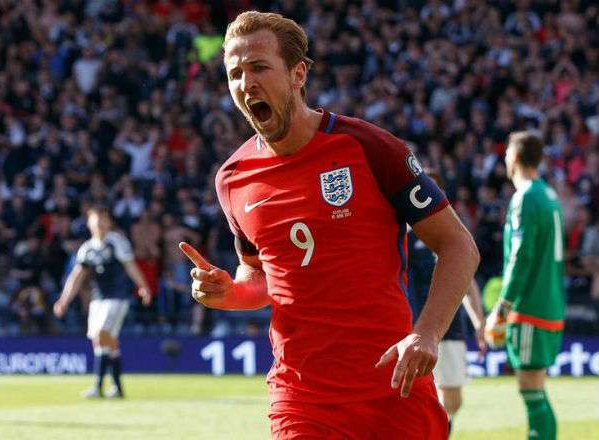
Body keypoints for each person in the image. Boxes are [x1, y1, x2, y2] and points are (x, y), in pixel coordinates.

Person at [179, 11, 479, 439]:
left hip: (394, 388)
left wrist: (427, 334)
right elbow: (261, 276)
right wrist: (230, 293)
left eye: (259, 67)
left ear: (298, 73)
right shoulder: (232, 179)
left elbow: (458, 246)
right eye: (235, 74)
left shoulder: (371, 149)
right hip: (303, 399)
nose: (247, 84)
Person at [486, 131, 565, 440]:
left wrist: (502, 308)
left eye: (507, 153)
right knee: (536, 387)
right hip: (550, 302)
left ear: (515, 158)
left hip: (529, 307)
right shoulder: (549, 194)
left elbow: (521, 259)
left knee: (530, 387)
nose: (504, 158)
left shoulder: (525, 198)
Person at [407, 171, 487, 437]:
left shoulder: (453, 231)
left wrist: (479, 321)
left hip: (449, 325)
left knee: (453, 399)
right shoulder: (401, 232)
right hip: (412, 328)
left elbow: (466, 278)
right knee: (415, 398)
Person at [53, 206, 152, 398]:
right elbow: (76, 276)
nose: (98, 222)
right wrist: (63, 300)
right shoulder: (87, 248)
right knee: (108, 342)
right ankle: (117, 387)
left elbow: (130, 266)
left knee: (101, 335)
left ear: (109, 221)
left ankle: (97, 386)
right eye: (94, 218)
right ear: (89, 223)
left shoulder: (116, 242)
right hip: (97, 300)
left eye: (102, 218)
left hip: (117, 298)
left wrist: (143, 286)